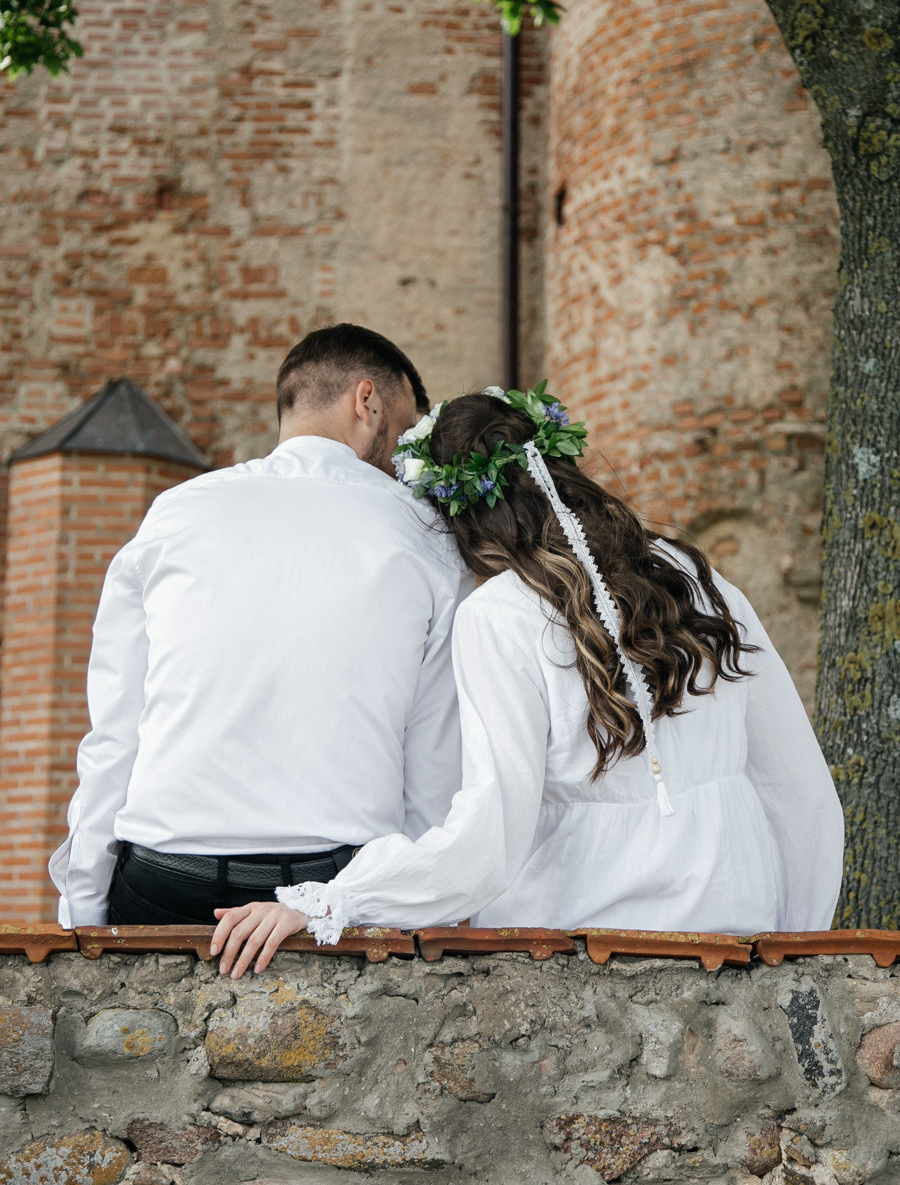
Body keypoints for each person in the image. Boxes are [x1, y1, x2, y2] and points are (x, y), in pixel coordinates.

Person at [211, 383, 845, 977]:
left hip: (583, 948)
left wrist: (333, 899)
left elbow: (490, 836)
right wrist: (796, 942)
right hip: (738, 929)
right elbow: (800, 791)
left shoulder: (499, 615)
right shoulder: (695, 575)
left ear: (459, 518)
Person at [49, 324, 472, 927]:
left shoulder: (175, 513)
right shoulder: (426, 537)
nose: (405, 461)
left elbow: (115, 736)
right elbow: (431, 773)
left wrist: (83, 913)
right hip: (334, 887)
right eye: (405, 432)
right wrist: (406, 915)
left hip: (165, 878)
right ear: (367, 402)